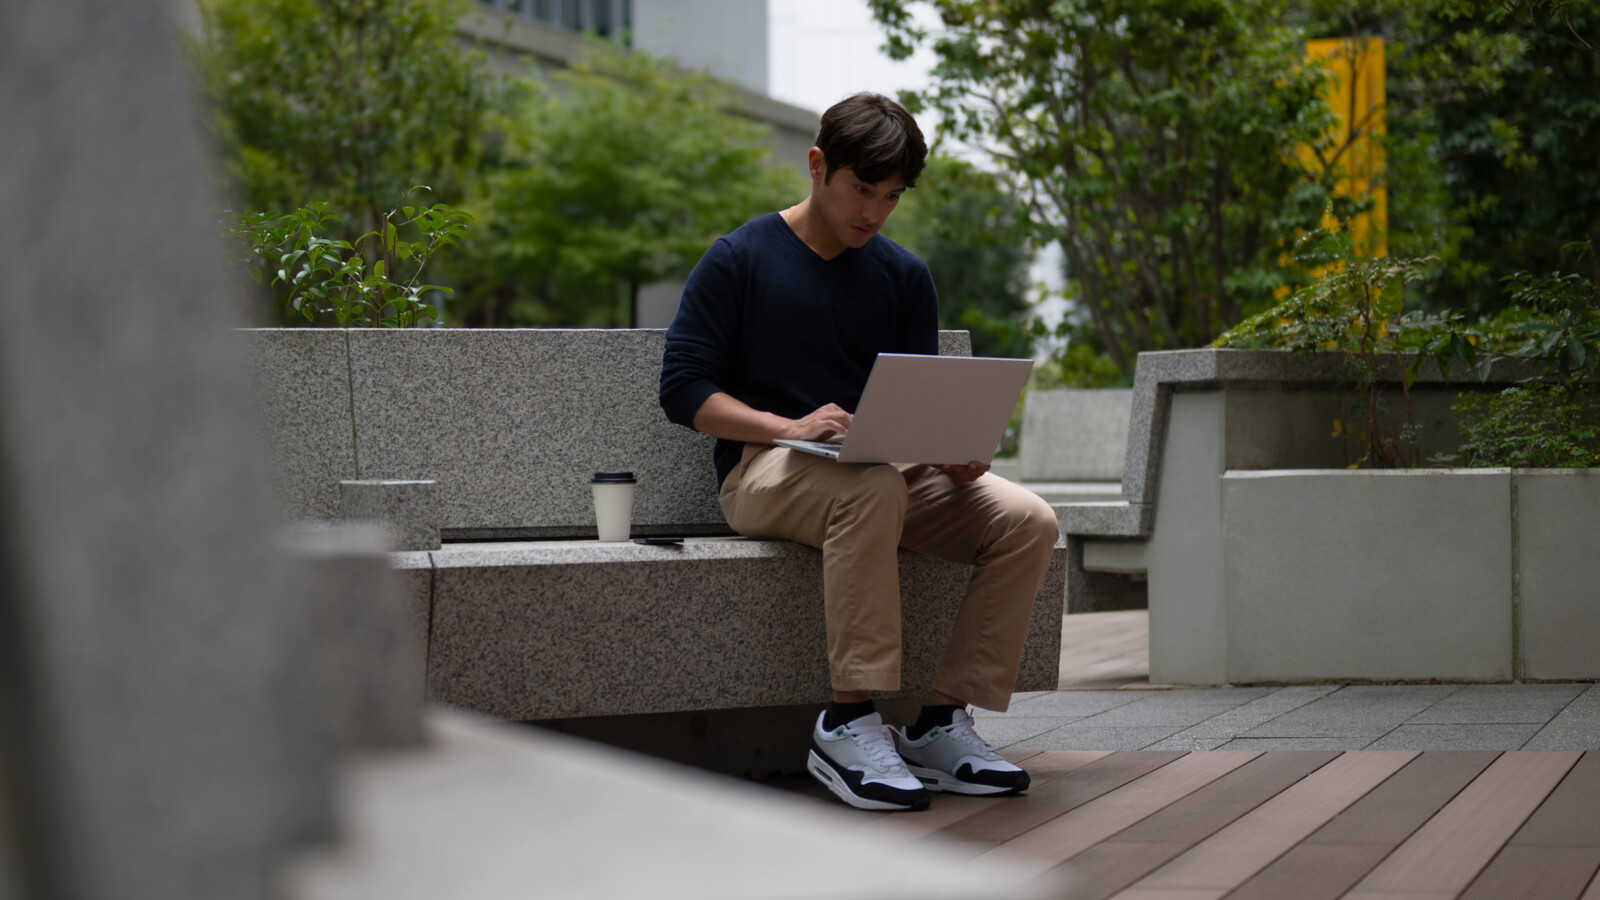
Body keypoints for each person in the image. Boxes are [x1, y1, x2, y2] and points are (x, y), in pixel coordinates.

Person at [659, 92, 1059, 812]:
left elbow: (917, 399)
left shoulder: (903, 277)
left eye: (891, 196)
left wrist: (951, 451)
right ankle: (847, 720)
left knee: (1025, 519)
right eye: (860, 189)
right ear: (817, 166)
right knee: (870, 486)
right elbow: (683, 391)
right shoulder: (740, 258)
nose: (872, 212)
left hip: (881, 471)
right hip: (764, 471)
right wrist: (787, 427)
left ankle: (939, 721)